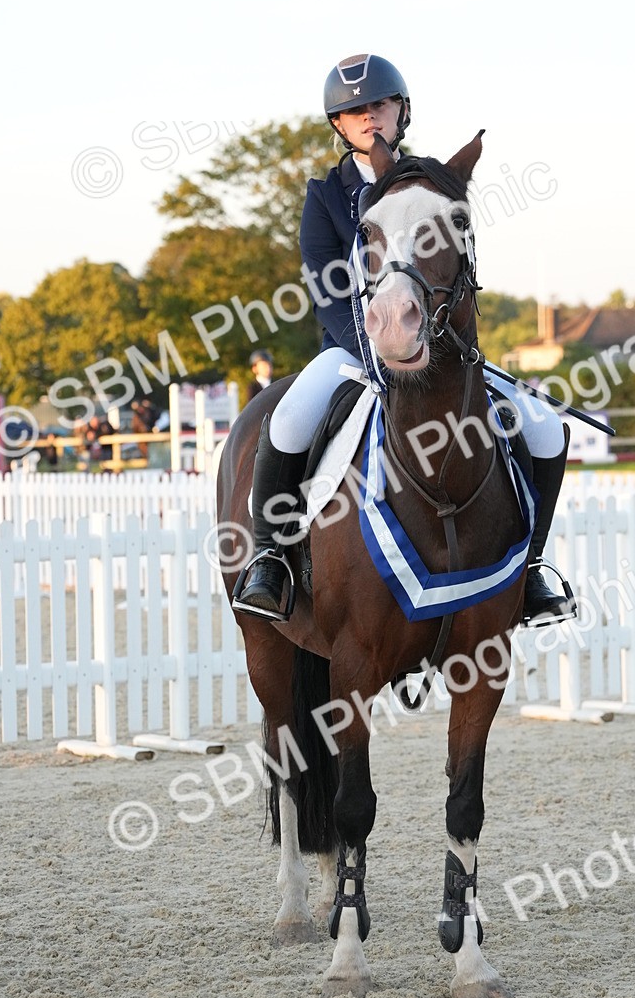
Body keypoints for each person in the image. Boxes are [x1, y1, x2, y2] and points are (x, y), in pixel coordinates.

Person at [235, 53, 572, 625]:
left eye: (379, 104)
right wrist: (371, 351)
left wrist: (447, 337)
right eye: (353, 111)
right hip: (350, 350)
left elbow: (456, 270)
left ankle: (533, 568)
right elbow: (326, 285)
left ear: (402, 111)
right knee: (288, 419)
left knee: (542, 427)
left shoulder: (434, 182)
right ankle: (270, 556)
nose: (369, 117)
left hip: (439, 348)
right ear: (338, 126)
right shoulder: (325, 195)